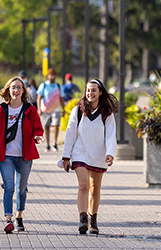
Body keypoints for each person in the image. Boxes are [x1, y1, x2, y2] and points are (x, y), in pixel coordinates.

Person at [0, 76, 44, 233]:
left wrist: (38, 136)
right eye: (13, 87)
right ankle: (8, 219)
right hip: (6, 156)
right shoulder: (1, 110)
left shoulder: (29, 110)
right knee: (9, 187)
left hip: (24, 156)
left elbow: (38, 127)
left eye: (19, 87)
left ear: (23, 91)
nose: (16, 90)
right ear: (8, 90)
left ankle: (19, 216)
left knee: (21, 189)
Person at [61, 78, 118, 235]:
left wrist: (110, 154)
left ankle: (93, 220)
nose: (90, 93)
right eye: (88, 90)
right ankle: (82, 219)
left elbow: (111, 135)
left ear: (100, 92)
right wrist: (66, 156)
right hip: (80, 153)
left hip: (98, 155)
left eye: (94, 90)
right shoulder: (78, 111)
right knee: (84, 185)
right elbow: (70, 133)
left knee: (95, 188)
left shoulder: (106, 113)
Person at [36, 68, 65, 152]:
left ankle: (54, 143)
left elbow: (62, 98)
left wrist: (63, 109)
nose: (52, 77)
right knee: (46, 126)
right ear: (48, 76)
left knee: (56, 125)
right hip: (46, 109)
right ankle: (48, 144)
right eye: (50, 75)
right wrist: (39, 109)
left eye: (53, 75)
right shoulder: (44, 85)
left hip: (56, 109)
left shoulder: (58, 86)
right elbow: (39, 97)